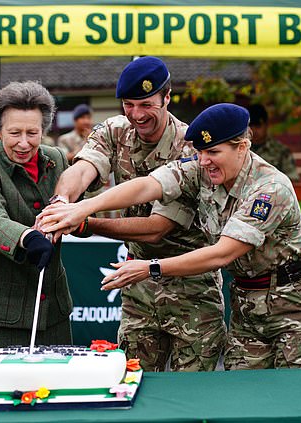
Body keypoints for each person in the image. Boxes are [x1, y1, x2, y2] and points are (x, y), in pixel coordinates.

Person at [40, 103, 301, 370]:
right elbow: (147, 185)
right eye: (200, 152)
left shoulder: (269, 190)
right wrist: (84, 207)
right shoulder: (202, 169)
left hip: (295, 304)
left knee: (300, 394)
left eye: (214, 152)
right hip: (247, 303)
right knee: (243, 393)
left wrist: (150, 267)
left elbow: (222, 253)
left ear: (242, 147)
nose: (204, 161)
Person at [38, 57, 226, 372]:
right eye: (128, 105)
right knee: (133, 384)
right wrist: (61, 202)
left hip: (192, 289)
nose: (137, 115)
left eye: (146, 105)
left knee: (191, 396)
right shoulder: (114, 130)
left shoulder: (192, 148)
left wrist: (86, 222)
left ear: (167, 98)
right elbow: (84, 168)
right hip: (139, 289)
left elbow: (156, 228)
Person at [0, 81, 73, 350]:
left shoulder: (57, 158)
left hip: (53, 312)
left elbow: (78, 205)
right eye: (14, 133)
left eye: (32, 133)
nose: (24, 143)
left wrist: (78, 218)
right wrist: (27, 237)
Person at [248, 104, 299, 181]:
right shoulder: (241, 150)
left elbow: (292, 180)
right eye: (251, 126)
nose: (254, 130)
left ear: (266, 125)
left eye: (258, 126)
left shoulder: (281, 151)